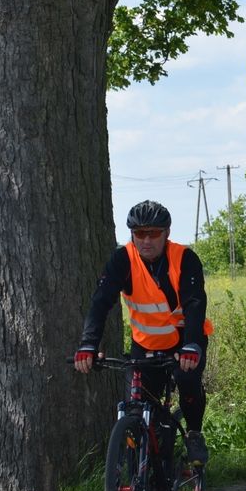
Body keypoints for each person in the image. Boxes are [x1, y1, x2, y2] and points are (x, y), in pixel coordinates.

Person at [73, 200, 210, 470]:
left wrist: (192, 345)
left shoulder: (185, 258)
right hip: (145, 343)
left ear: (166, 234)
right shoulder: (122, 259)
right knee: (136, 408)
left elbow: (195, 304)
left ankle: (194, 434)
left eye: (154, 234)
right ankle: (139, 487)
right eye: (139, 234)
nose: (146, 240)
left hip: (185, 340)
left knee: (187, 378)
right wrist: (88, 344)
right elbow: (101, 301)